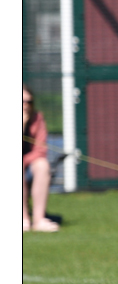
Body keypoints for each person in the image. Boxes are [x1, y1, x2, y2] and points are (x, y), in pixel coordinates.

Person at [23, 85, 59, 232]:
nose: (25, 105)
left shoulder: (38, 118)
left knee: (42, 165)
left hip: (29, 163)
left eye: (29, 102)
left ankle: (39, 219)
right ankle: (23, 219)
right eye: (21, 101)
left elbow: (40, 150)